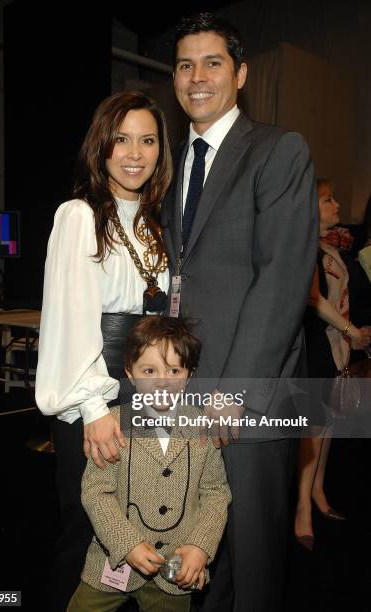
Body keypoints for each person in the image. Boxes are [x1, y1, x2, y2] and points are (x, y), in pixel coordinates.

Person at [161, 12, 319, 612]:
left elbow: (280, 280)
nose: (197, 77)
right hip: (184, 391)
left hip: (248, 396)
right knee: (199, 554)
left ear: (242, 73)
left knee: (252, 557)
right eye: (184, 65)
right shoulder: (171, 160)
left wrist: (236, 391)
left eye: (213, 62)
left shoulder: (278, 151)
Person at [35, 91, 172, 611]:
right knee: (88, 530)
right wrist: (94, 407)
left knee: (137, 529)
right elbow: (70, 316)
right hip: (95, 397)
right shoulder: (79, 216)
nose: (134, 153)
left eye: (148, 140)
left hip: (149, 395)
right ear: (102, 146)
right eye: (121, 139)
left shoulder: (158, 227)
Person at [67, 315, 231, 612]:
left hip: (176, 572)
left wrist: (201, 546)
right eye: (149, 370)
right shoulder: (113, 426)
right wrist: (126, 543)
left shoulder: (203, 428)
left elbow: (216, 494)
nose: (162, 382)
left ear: (189, 374)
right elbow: (95, 492)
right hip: (111, 564)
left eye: (174, 370)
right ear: (130, 372)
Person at [295, 179, 371, 550]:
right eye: (328, 199)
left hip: (328, 345)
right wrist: (352, 330)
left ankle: (318, 493)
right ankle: (301, 510)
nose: (337, 205)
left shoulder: (327, 249)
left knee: (325, 426)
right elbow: (313, 299)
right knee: (314, 427)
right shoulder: (303, 246)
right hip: (310, 344)